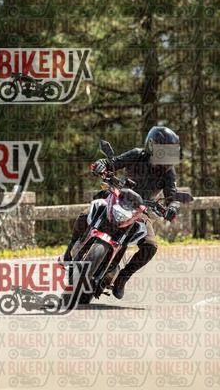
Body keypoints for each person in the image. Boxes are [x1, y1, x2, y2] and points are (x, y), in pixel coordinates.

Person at [63, 126, 182, 299]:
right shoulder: (137, 154)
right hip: (118, 197)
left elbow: (172, 195)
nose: (166, 156)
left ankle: (122, 278)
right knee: (85, 214)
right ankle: (70, 249)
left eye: (170, 152)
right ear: (151, 146)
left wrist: (173, 207)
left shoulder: (169, 172)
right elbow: (114, 163)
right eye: (163, 151)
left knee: (150, 246)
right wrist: (103, 164)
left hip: (141, 210)